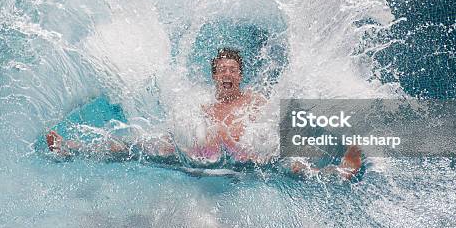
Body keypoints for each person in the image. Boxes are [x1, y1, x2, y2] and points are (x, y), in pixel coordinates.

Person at [46, 48, 362, 179]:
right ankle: (71, 149)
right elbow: (185, 131)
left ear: (240, 76)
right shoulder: (202, 105)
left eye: (233, 70)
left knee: (294, 166)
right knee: (133, 147)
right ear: (214, 76)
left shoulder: (256, 100)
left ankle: (340, 173)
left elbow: (279, 129)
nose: (227, 74)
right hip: (201, 159)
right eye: (221, 70)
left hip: (246, 160)